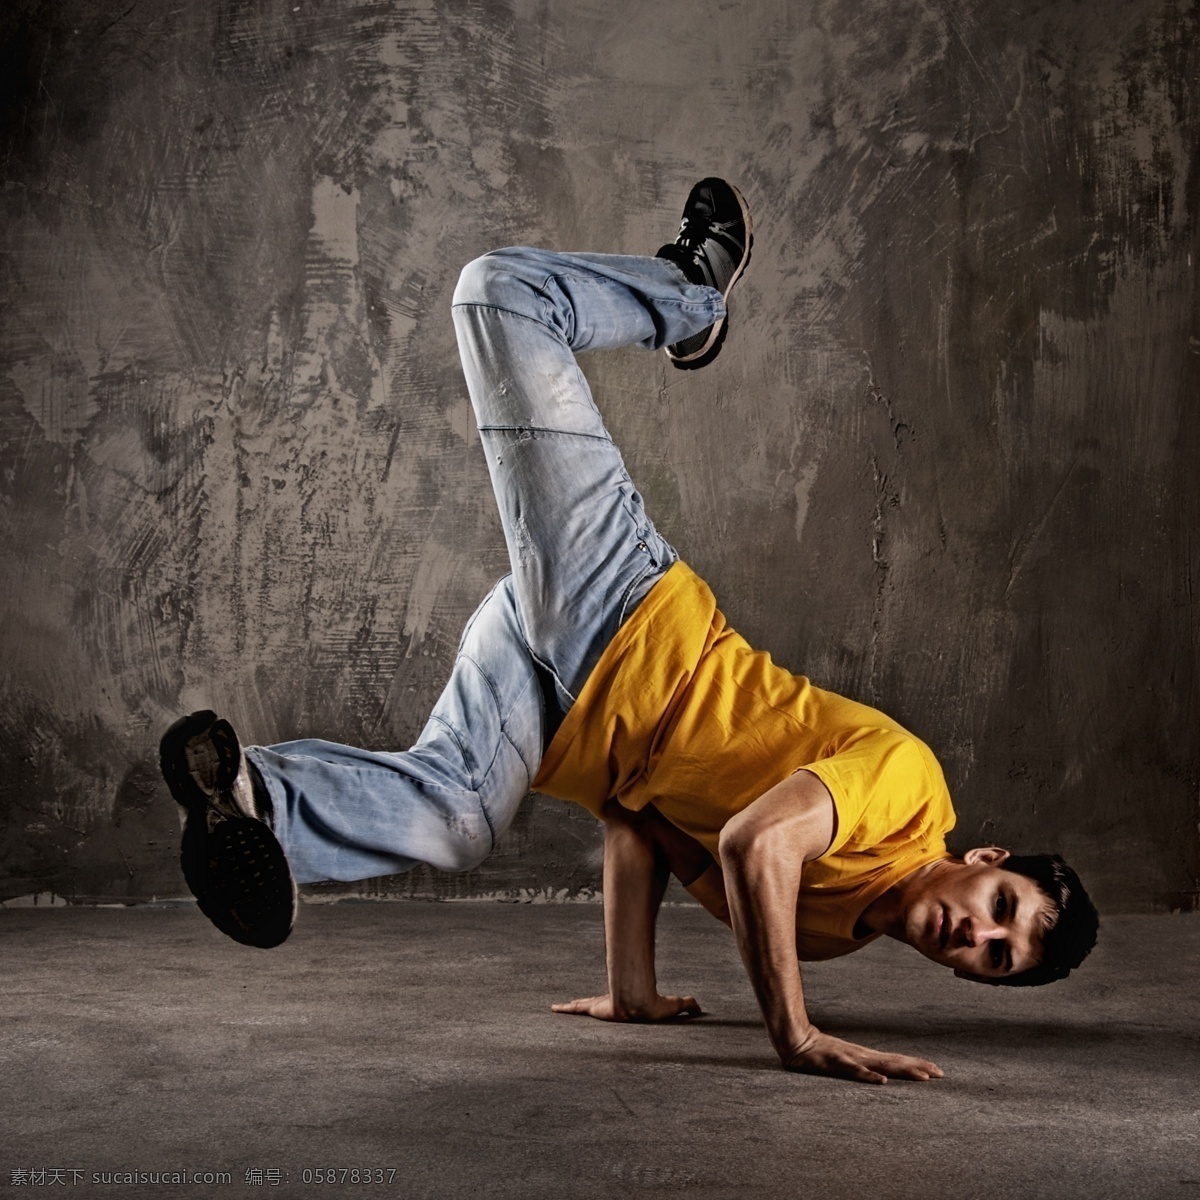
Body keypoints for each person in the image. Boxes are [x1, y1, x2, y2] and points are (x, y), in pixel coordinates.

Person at [160, 179, 1099, 1084]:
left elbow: (644, 826)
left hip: (565, 712)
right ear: (986, 863)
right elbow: (752, 843)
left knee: (456, 820)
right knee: (502, 295)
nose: (978, 937)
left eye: (997, 960)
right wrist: (795, 1034)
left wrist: (632, 991)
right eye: (1002, 910)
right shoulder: (907, 793)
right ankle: (692, 298)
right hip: (627, 614)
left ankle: (248, 794)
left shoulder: (825, 932)